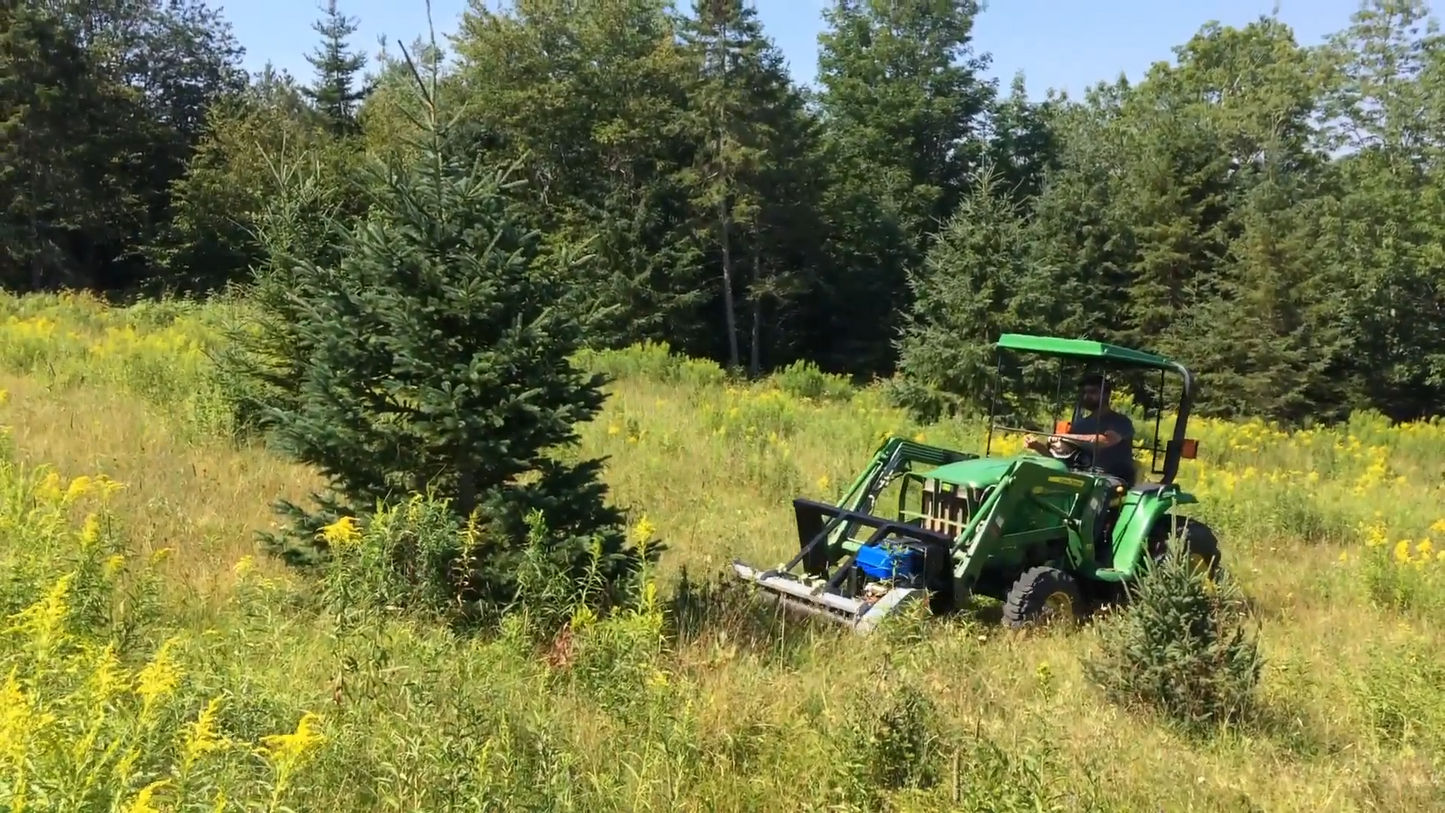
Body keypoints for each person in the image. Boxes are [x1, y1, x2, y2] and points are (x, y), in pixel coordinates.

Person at [1024, 373, 1137, 484]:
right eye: (1084, 393)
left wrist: (1066, 437)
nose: (1086, 396)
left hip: (1114, 479)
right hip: (1082, 478)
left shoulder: (1121, 422)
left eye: (1092, 392)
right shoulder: (1080, 425)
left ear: (1106, 394)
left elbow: (1106, 440)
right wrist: (1038, 447)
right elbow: (1063, 459)